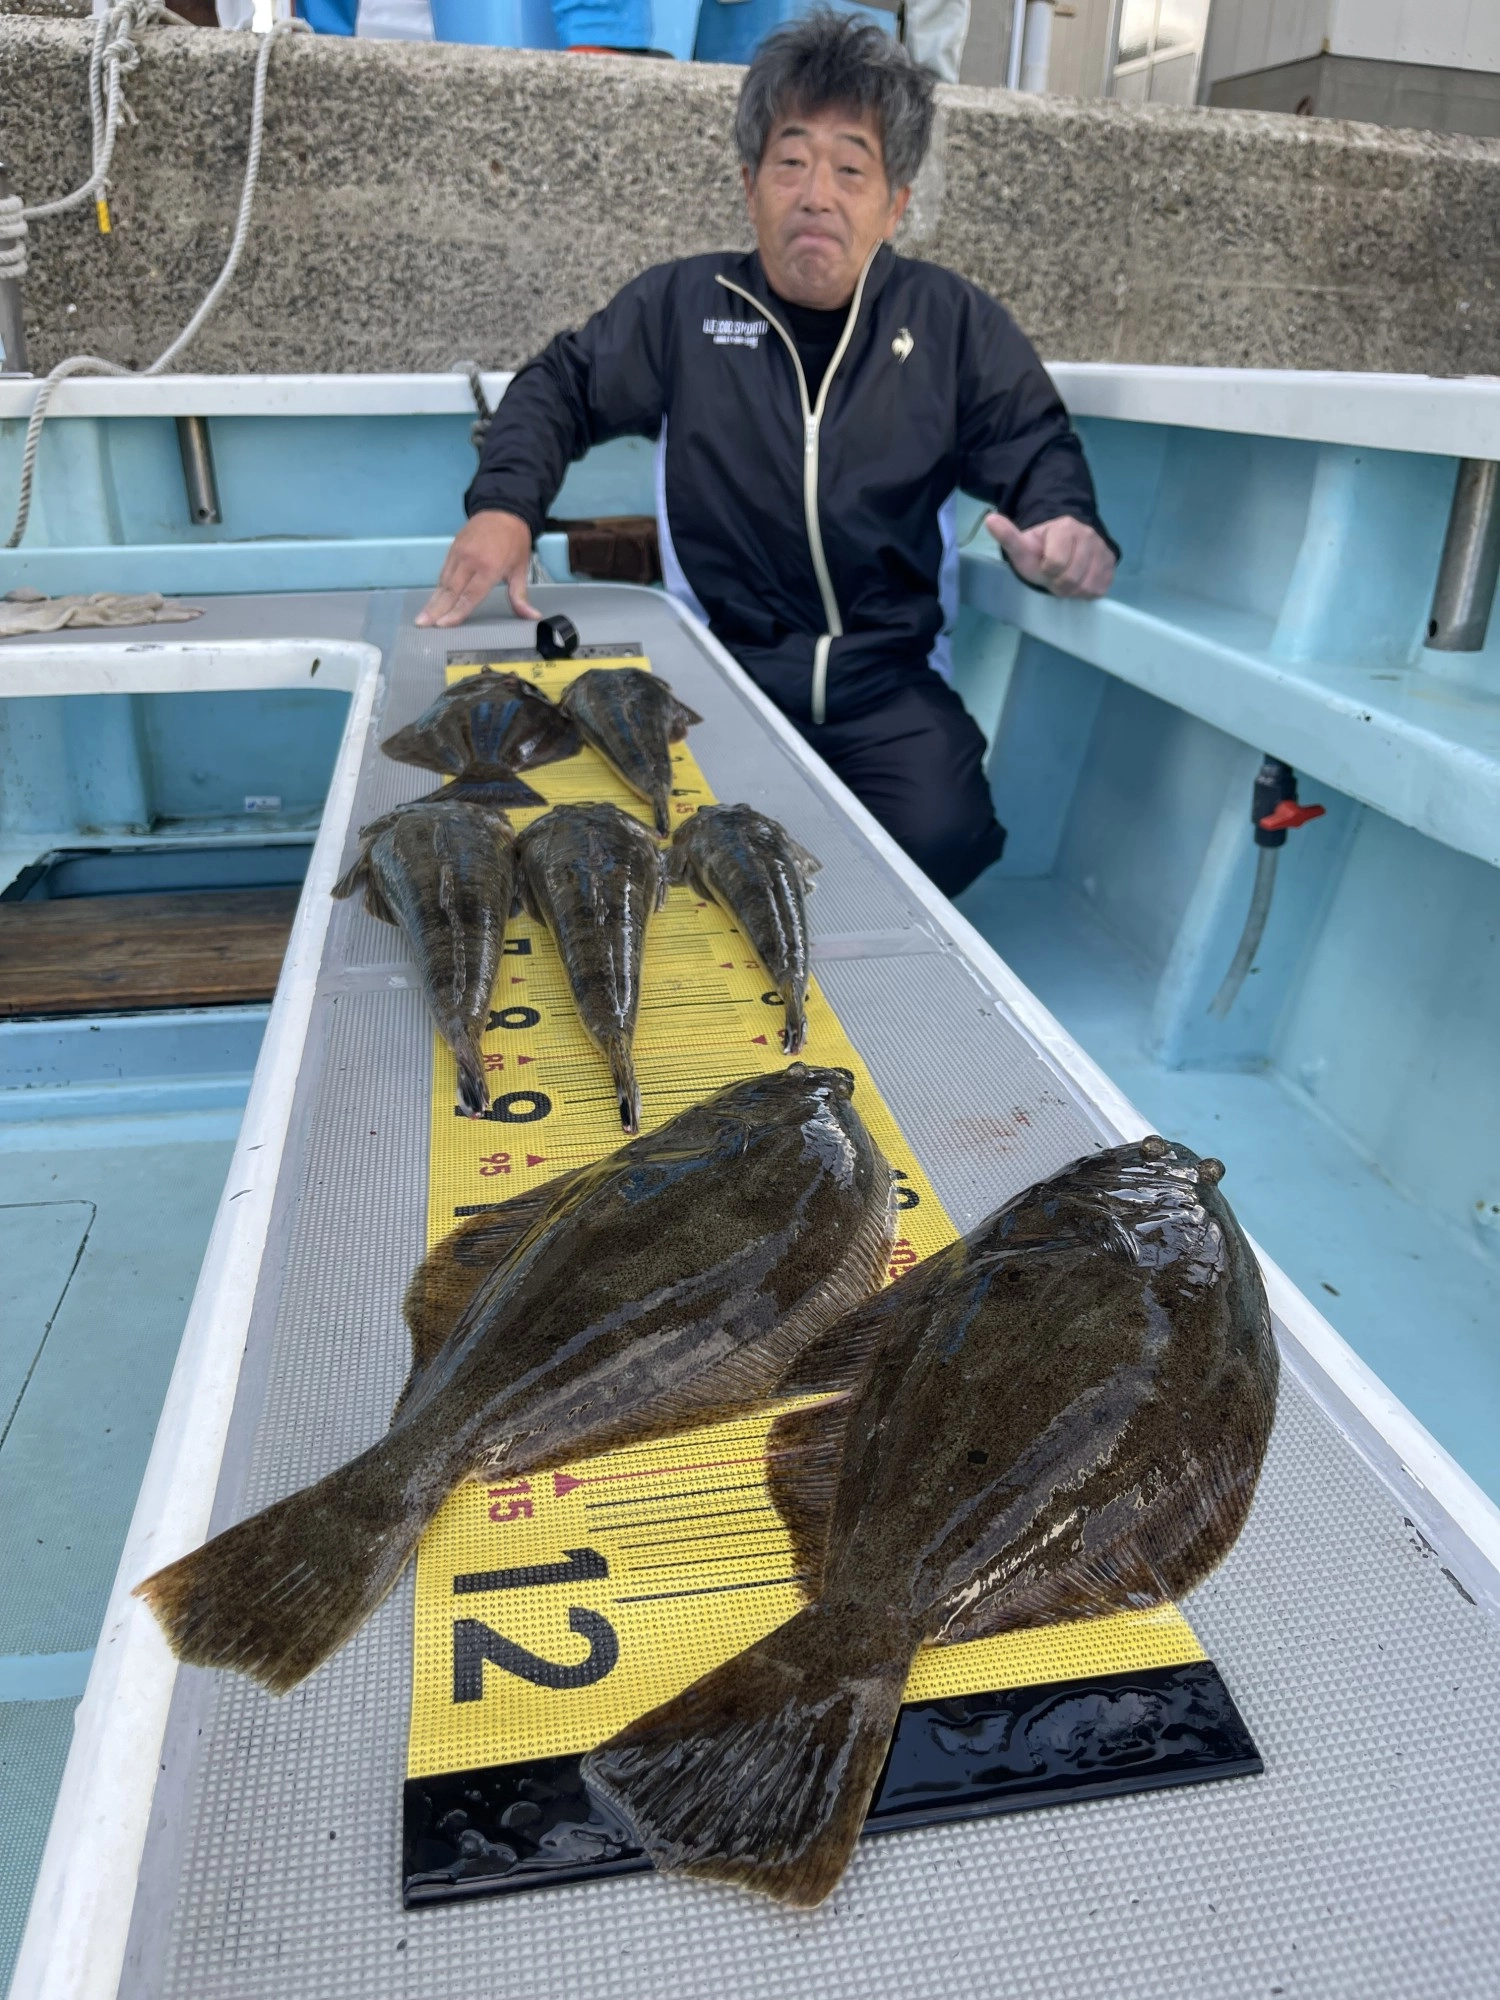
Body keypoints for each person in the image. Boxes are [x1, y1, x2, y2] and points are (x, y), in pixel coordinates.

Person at [418, 9, 1116, 898]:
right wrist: (505, 507)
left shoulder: (950, 322)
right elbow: (561, 385)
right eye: (791, 162)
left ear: (895, 201)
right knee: (662, 851)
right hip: (720, 674)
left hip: (887, 681)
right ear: (750, 184)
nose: (818, 193)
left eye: (852, 168)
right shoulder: (681, 306)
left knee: (949, 836)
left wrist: (1067, 530)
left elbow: (1034, 444)